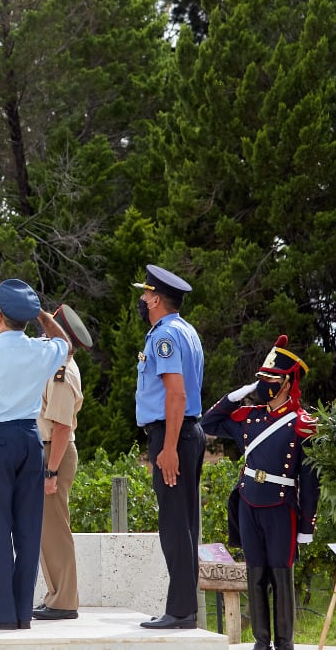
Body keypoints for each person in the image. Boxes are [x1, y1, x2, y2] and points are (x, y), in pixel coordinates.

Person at [0, 279, 70, 630]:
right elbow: (66, 344)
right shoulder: (40, 350)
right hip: (30, 440)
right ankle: (21, 614)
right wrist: (41, 314)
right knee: (27, 531)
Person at [202, 335, 319, 650]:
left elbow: (309, 480)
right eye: (261, 379)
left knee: (280, 575)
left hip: (281, 508)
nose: (264, 385)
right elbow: (209, 423)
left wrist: (307, 525)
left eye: (270, 379)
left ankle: (284, 642)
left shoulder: (303, 425)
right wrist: (233, 397)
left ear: (286, 384)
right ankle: (260, 641)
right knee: (255, 574)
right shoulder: (249, 417)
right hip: (248, 503)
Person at [133, 263, 205, 630]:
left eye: (145, 295)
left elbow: (175, 394)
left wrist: (169, 447)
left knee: (174, 525)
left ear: (157, 299)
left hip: (173, 433)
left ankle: (180, 611)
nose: (142, 301)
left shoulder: (165, 336)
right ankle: (183, 607)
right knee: (184, 524)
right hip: (187, 431)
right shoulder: (186, 331)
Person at [33, 335, 83, 620]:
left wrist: (50, 472)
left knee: (55, 531)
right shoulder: (55, 367)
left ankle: (63, 601)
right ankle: (56, 597)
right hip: (50, 450)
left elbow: (62, 427)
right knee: (47, 531)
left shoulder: (62, 373)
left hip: (54, 452)